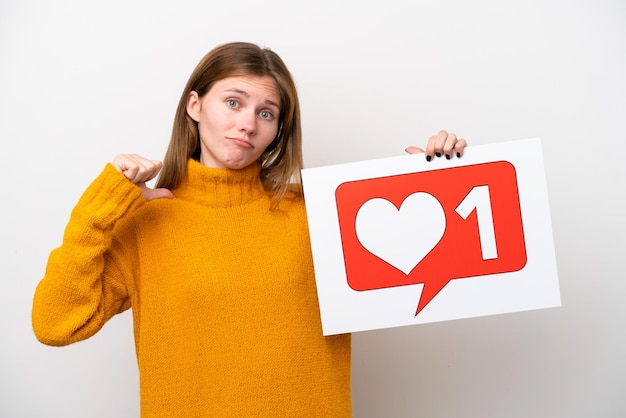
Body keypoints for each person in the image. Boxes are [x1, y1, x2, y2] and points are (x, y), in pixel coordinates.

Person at [32, 41, 467, 417]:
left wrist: (436, 183)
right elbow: (55, 324)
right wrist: (101, 208)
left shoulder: (321, 212)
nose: (248, 124)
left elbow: (422, 277)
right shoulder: (146, 221)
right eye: (234, 102)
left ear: (278, 131)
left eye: (266, 112)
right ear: (194, 105)